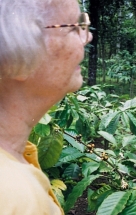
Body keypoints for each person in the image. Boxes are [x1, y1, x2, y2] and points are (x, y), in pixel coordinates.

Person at [0, 0, 92, 214]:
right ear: (12, 59)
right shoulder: (17, 198)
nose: (87, 37)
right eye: (74, 28)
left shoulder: (19, 156)